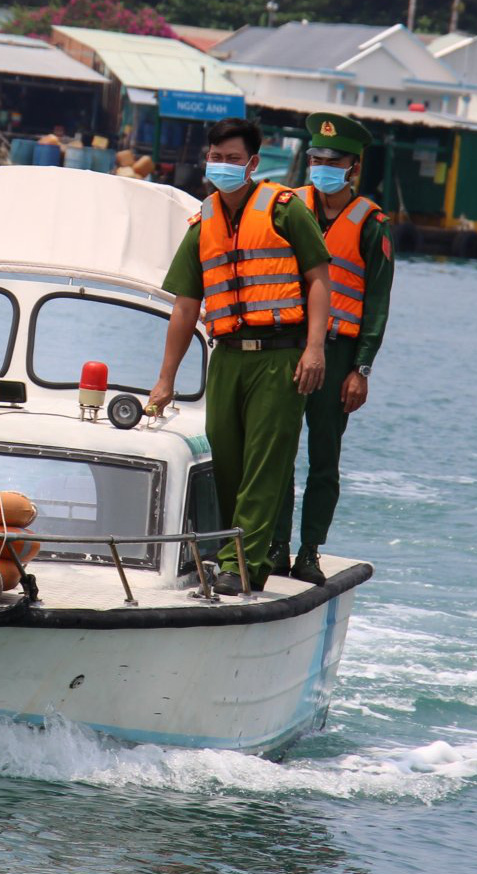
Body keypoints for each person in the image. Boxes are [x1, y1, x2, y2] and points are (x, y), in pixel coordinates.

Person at [149, 117, 331, 595]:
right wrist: (165, 380)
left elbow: (318, 280)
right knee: (225, 463)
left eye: (233, 159)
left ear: (253, 163)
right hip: (226, 356)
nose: (223, 166)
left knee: (263, 464)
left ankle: (239, 563)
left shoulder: (286, 210)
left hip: (280, 356)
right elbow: (186, 307)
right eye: (216, 157)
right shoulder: (202, 222)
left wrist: (315, 348)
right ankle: (246, 548)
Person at [272, 112, 394, 585]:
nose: (320, 166)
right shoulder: (288, 207)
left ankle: (309, 551)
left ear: (353, 168)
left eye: (332, 160)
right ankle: (275, 545)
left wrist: (361, 369)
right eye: (315, 158)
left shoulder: (371, 222)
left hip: (340, 352)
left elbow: (378, 300)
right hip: (287, 346)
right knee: (278, 450)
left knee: (324, 458)